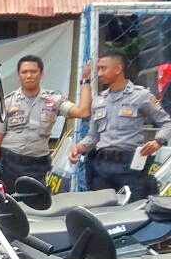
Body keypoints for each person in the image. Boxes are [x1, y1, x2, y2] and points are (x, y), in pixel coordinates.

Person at [69, 49, 171, 199]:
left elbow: (167, 123)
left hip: (129, 165)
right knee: (102, 210)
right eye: (98, 68)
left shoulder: (141, 95)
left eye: (103, 68)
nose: (99, 73)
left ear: (118, 69)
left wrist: (158, 141)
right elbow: (93, 137)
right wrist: (78, 148)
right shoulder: (99, 100)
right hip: (101, 166)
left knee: (132, 211)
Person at [0, 55, 91, 192]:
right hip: (9, 163)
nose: (29, 76)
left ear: (42, 74)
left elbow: (83, 112)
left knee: (36, 207)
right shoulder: (7, 102)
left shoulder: (53, 100)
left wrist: (85, 80)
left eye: (33, 71)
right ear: (18, 75)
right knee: (6, 207)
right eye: (24, 72)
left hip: (38, 166)